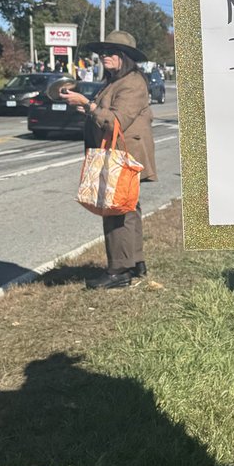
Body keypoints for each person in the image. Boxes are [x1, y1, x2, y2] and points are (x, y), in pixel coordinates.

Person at [62, 30, 157, 290]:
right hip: (120, 154)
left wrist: (89, 105)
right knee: (127, 207)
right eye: (103, 52)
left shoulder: (132, 82)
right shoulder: (117, 81)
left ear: (125, 57)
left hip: (122, 156)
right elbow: (107, 114)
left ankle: (118, 270)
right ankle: (135, 261)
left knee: (114, 211)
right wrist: (86, 107)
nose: (105, 56)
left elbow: (116, 120)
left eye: (112, 52)